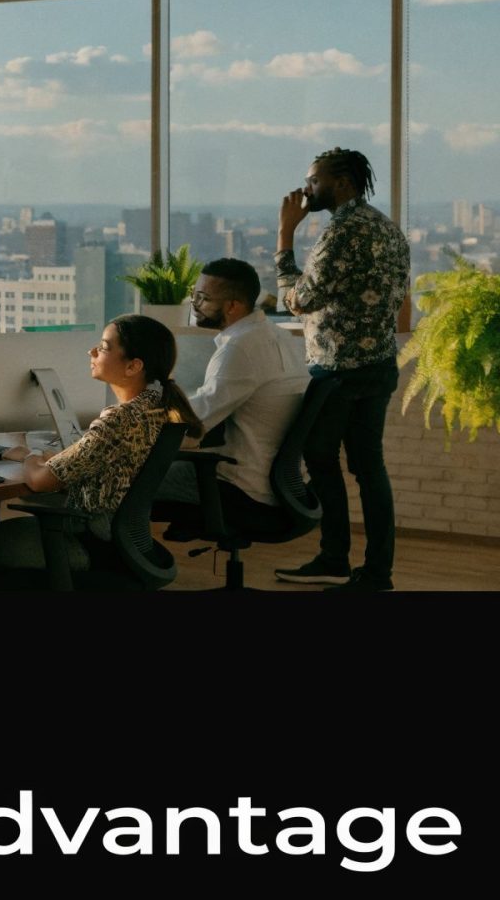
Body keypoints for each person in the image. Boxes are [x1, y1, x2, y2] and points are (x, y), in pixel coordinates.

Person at [0, 315, 202, 582]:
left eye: (103, 347)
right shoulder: (156, 408)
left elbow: (38, 481)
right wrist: (55, 458)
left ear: (133, 366)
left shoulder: (119, 420)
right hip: (115, 542)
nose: (92, 352)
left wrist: (28, 454)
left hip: (84, 543)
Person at [272, 147, 408, 591]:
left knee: (320, 458)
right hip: (378, 365)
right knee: (370, 469)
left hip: (337, 371)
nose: (306, 188)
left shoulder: (341, 232)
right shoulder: (386, 228)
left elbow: (300, 300)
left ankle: (334, 558)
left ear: (343, 183)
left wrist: (285, 234)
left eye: (314, 180)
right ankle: (378, 572)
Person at [156, 257, 308, 522]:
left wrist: (131, 421)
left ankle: (128, 547)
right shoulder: (277, 336)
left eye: (203, 298)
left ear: (232, 306)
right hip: (282, 484)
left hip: (243, 488)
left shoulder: (240, 348)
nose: (195, 305)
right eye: (194, 295)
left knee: (126, 480)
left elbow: (192, 424)